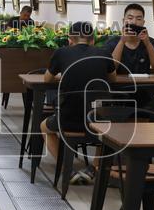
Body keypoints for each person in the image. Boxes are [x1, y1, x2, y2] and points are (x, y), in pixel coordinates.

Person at [40, 22, 116, 161]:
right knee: (104, 131)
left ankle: (65, 168)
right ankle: (96, 168)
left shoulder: (61, 52)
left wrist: (63, 74)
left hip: (67, 120)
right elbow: (113, 78)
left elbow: (47, 79)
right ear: (93, 40)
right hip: (98, 120)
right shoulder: (104, 54)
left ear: (70, 39)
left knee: (43, 127)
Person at [104, 3, 154, 110]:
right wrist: (122, 41)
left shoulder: (152, 43)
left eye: (138, 19)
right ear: (123, 21)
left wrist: (147, 43)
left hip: (144, 91)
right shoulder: (111, 43)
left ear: (143, 22)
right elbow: (112, 68)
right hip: (118, 93)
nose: (134, 22)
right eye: (130, 18)